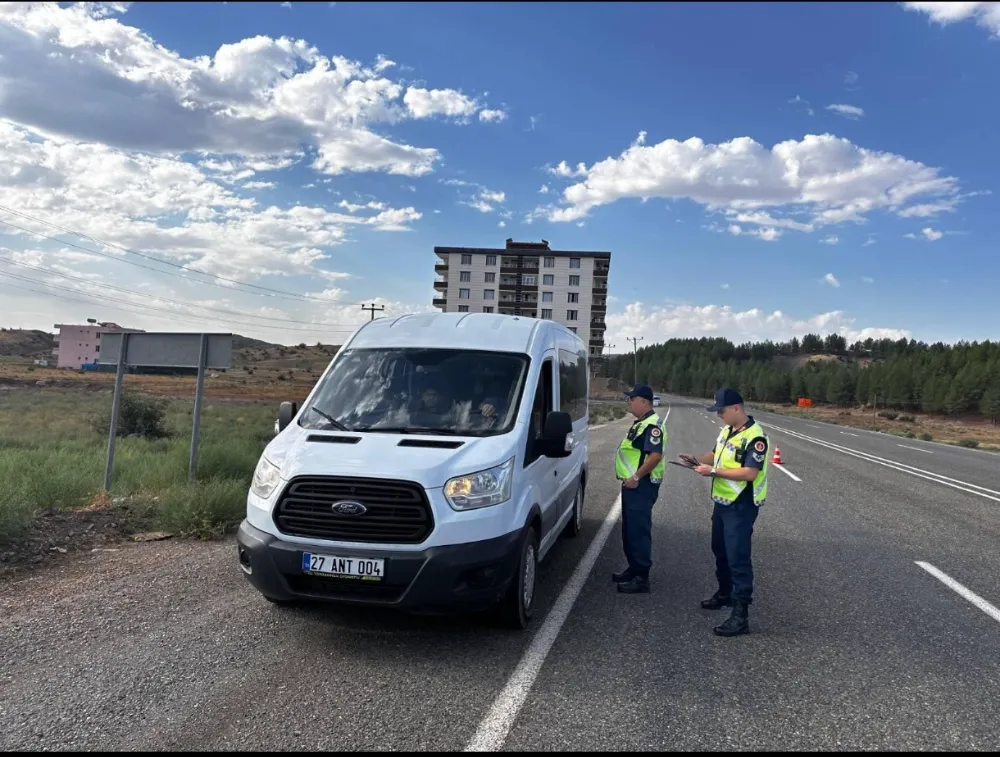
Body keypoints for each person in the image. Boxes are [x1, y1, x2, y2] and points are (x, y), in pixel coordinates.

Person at [681, 387, 769, 637]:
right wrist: (698, 460)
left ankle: (741, 615)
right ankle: (725, 593)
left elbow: (750, 473)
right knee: (720, 550)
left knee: (737, 557)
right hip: (723, 502)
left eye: (721, 410)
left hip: (741, 505)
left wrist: (713, 472)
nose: (719, 415)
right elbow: (716, 453)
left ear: (736, 408)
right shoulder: (728, 431)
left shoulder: (755, 437)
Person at [613, 384, 666, 594]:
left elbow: (655, 456)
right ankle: (633, 568)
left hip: (641, 485)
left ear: (644, 402)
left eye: (632, 399)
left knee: (638, 531)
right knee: (629, 530)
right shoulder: (642, 423)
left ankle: (641, 577)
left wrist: (636, 476)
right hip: (633, 484)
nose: (629, 402)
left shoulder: (652, 426)